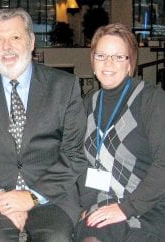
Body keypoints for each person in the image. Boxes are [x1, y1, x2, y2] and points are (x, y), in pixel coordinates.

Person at [0, 8, 87, 242]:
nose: (7, 46)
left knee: (55, 238)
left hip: (51, 196)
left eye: (15, 37)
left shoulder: (64, 86)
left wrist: (32, 197)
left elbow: (74, 153)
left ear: (31, 41)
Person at [75, 23, 165, 242]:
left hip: (150, 203)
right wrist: (89, 205)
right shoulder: (87, 105)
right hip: (103, 200)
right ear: (92, 62)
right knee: (91, 237)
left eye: (118, 57)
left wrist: (126, 208)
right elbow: (79, 161)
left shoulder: (151, 100)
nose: (108, 63)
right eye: (101, 55)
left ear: (130, 64)